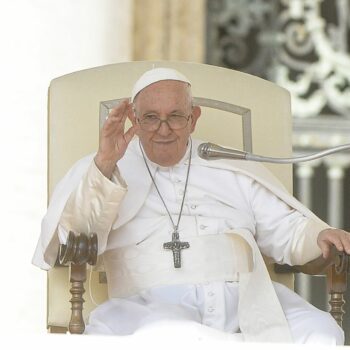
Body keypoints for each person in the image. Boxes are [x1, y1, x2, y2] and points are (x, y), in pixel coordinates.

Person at [33, 67, 348, 344]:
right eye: (151, 118)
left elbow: (284, 227)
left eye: (176, 117)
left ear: (194, 118)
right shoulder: (105, 166)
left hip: (246, 299)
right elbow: (73, 234)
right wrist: (104, 164)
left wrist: (318, 236)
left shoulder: (229, 165)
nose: (164, 129)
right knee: (172, 337)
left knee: (319, 332)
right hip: (150, 305)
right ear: (134, 119)